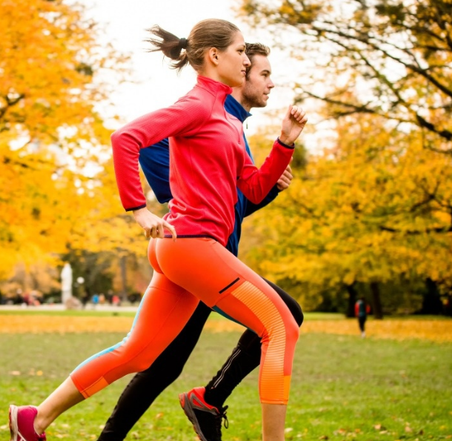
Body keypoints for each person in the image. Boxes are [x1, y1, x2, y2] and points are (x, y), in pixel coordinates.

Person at [8, 19, 307, 441]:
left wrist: (284, 144)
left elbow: (253, 187)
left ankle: (33, 420)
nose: (246, 60)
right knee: (281, 326)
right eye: (241, 52)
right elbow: (126, 139)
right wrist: (139, 210)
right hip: (192, 245)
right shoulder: (198, 105)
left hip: (185, 249)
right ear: (214, 56)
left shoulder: (227, 117)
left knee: (139, 352)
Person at [97, 42, 304, 441]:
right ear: (238, 72)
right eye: (260, 72)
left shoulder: (234, 125)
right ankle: (206, 400)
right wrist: (169, 200)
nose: (270, 82)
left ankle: (205, 401)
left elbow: (235, 204)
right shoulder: (206, 111)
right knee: (282, 319)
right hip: (194, 253)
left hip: (215, 256)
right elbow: (144, 145)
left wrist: (270, 179)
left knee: (163, 362)